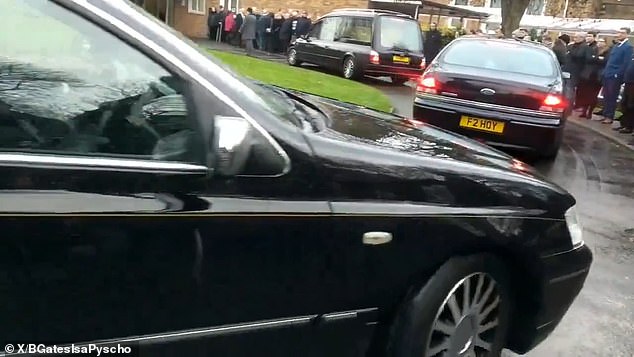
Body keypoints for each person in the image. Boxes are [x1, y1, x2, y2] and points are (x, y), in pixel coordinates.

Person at [600, 27, 632, 124]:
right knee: (606, 95)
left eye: (622, 33)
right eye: (618, 33)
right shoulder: (616, 46)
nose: (619, 35)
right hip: (607, 74)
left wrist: (618, 74)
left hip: (615, 76)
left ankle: (609, 116)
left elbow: (626, 63)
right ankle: (605, 114)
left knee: (612, 96)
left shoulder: (628, 47)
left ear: (627, 35)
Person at [577, 33, 604, 118]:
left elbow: (601, 61)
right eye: (587, 36)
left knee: (593, 95)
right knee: (585, 93)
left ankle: (589, 112)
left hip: (596, 76)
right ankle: (584, 111)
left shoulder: (604, 50)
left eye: (602, 41)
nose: (600, 43)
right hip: (587, 74)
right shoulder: (586, 47)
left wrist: (594, 58)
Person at [566, 32, 591, 109]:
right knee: (567, 86)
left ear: (582, 38)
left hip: (576, 71)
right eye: (574, 37)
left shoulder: (585, 47)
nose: (575, 38)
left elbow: (587, 60)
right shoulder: (571, 46)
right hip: (568, 69)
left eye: (577, 37)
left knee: (571, 87)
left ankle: (569, 104)